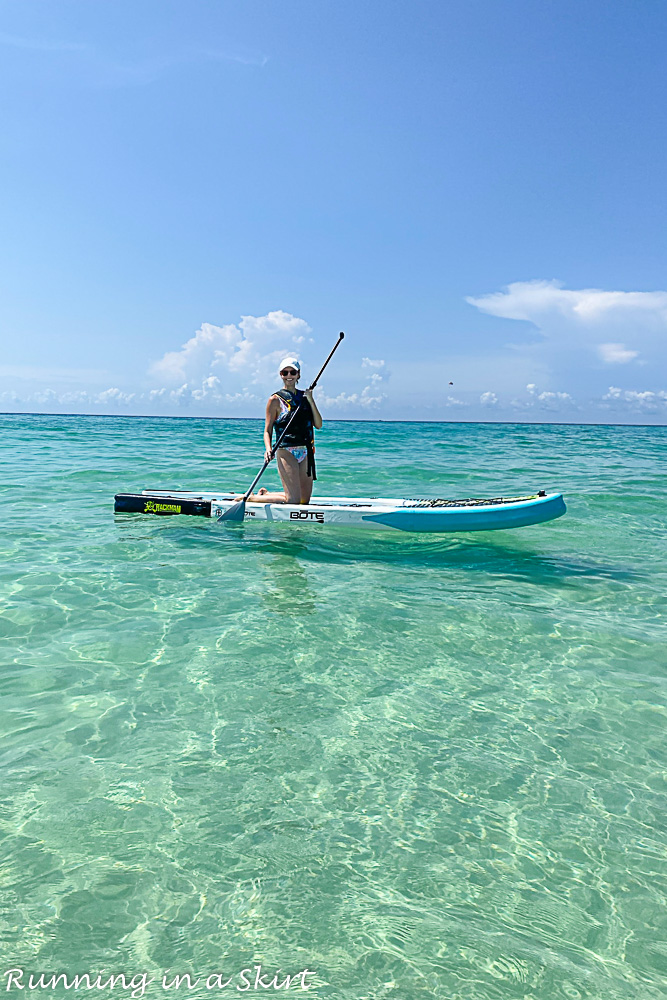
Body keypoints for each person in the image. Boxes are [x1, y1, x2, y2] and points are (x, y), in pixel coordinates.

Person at [243, 356, 323, 505]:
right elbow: (267, 430)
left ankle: (267, 494)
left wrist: (311, 400)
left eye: (292, 372)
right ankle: (253, 498)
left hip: (306, 451)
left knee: (304, 502)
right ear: (281, 375)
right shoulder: (274, 400)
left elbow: (318, 424)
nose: (289, 376)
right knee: (293, 501)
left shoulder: (305, 398)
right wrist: (268, 449)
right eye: (284, 373)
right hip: (286, 450)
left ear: (298, 374)